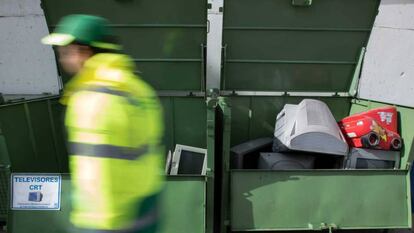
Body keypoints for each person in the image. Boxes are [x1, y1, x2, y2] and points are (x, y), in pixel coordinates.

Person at [42, 14, 164, 233]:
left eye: (65, 52)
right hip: (145, 205)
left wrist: (96, 222)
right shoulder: (137, 88)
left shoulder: (92, 98)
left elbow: (100, 166)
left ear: (84, 52)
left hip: (105, 218)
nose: (62, 59)